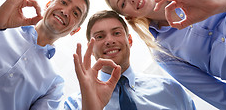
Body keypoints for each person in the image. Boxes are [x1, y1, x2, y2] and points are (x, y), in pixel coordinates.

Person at [65, 10, 196, 110]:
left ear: (130, 40)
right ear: (90, 49)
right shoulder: (75, 104)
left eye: (116, 33)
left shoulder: (170, 90)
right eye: (100, 36)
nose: (109, 41)